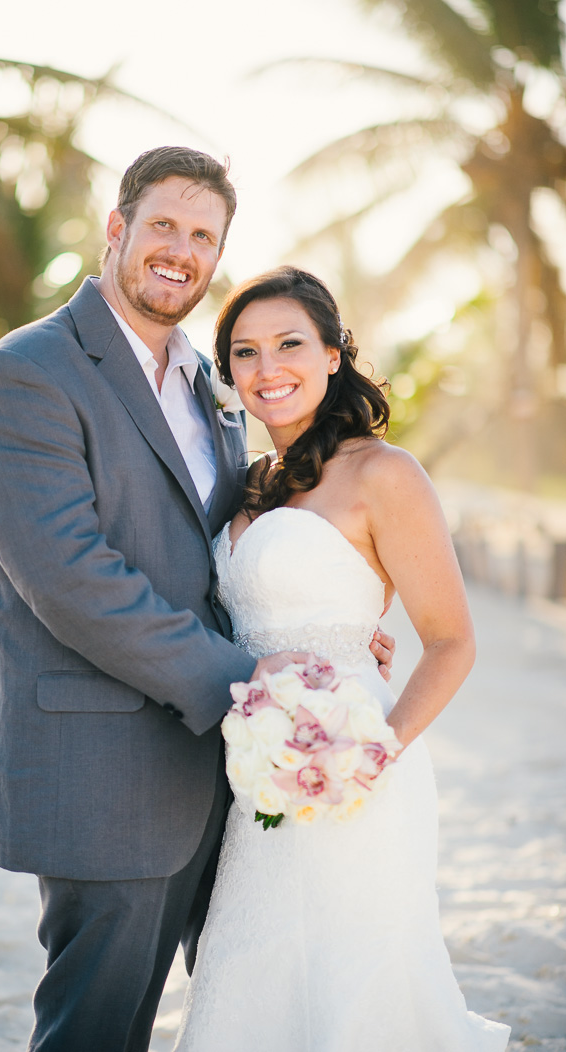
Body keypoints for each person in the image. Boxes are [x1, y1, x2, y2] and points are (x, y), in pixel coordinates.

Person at [0, 148, 395, 1052]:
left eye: (204, 236)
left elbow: (218, 557)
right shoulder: (28, 372)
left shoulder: (211, 384)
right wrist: (255, 678)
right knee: (95, 1030)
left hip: (230, 778)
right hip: (106, 770)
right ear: (117, 229)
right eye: (163, 223)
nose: (181, 249)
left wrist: (327, 629)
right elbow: (71, 579)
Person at [174, 266, 511, 1051]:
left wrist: (372, 753)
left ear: (333, 354)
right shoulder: (250, 484)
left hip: (356, 761)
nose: (268, 369)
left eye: (289, 343)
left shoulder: (384, 474)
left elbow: (454, 642)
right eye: (246, 354)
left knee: (358, 975)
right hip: (257, 763)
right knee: (255, 961)